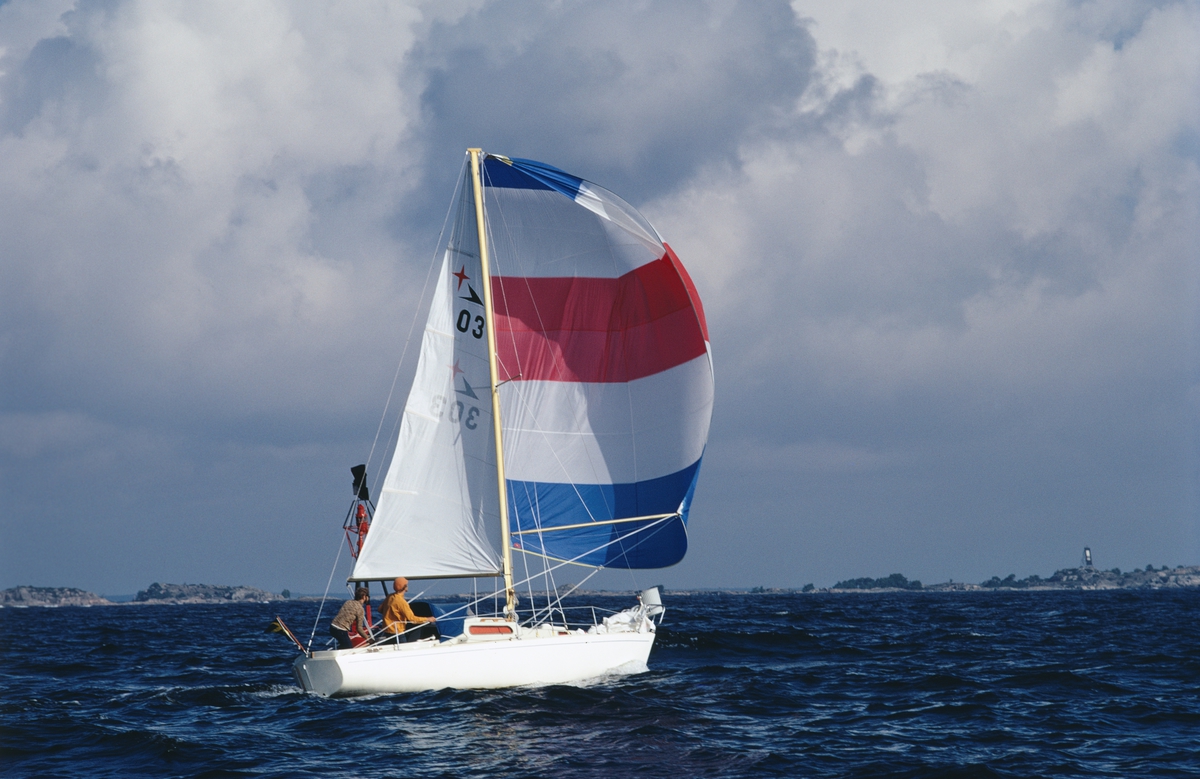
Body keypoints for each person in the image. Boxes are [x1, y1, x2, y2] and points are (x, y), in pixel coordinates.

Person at [379, 577, 436, 643]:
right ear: (404, 587)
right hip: (397, 633)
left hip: (387, 631)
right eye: (406, 585)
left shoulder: (390, 596)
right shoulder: (401, 602)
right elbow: (412, 619)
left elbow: (380, 609)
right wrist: (428, 619)